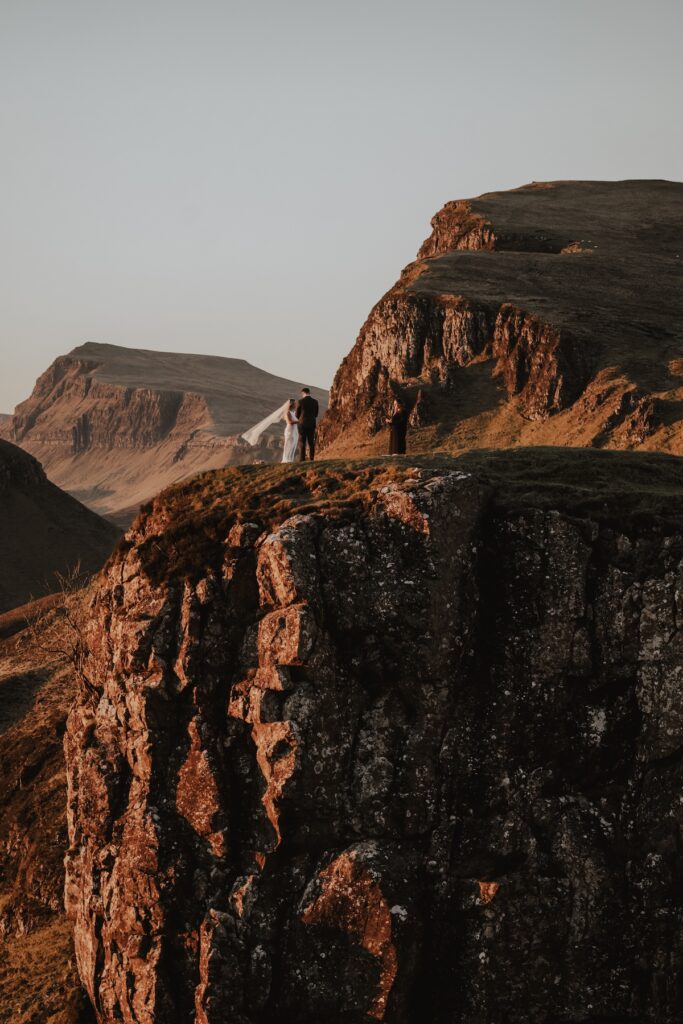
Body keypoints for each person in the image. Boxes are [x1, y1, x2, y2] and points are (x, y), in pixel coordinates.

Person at [241, 399, 299, 463]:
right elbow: (289, 422)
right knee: (288, 444)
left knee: (293, 444)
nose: (296, 405)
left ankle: (290, 459)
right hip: (290, 430)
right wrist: (300, 421)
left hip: (294, 430)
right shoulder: (287, 412)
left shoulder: (292, 412)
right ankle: (287, 459)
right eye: (295, 403)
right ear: (291, 404)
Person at [296, 387, 319, 461]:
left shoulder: (300, 401)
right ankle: (311, 459)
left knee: (302, 442)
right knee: (311, 442)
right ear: (309, 393)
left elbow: (297, 415)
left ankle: (302, 459)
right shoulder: (315, 402)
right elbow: (316, 414)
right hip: (311, 424)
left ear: (303, 393)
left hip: (302, 424)